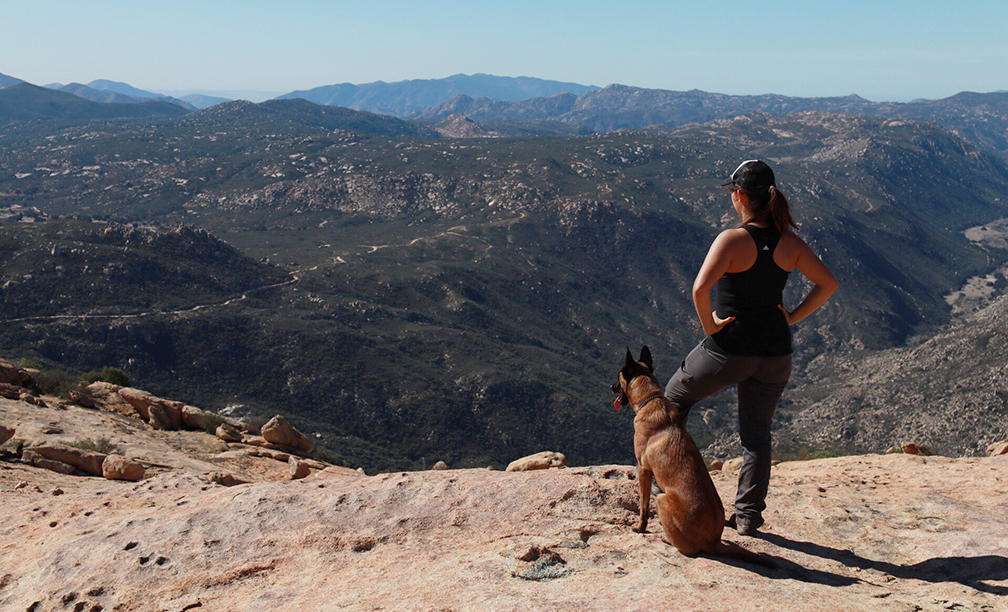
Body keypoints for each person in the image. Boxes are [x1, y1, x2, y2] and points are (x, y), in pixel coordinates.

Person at [663, 159, 838, 536]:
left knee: (672, 401)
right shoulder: (790, 242)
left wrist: (711, 326)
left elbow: (699, 289)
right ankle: (747, 517)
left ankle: (679, 490)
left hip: (729, 349)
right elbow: (828, 284)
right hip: (776, 353)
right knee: (756, 436)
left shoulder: (731, 240)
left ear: (739, 196)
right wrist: (790, 317)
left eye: (733, 192)